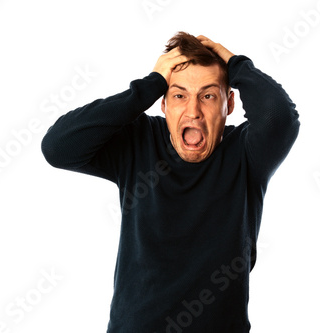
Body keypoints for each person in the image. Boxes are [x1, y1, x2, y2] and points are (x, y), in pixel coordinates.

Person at [41, 31, 300, 332]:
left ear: (228, 104)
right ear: (163, 104)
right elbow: (58, 148)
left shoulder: (247, 152)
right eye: (179, 95)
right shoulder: (139, 140)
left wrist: (236, 64)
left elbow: (280, 117)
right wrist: (149, 86)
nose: (193, 112)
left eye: (208, 96)